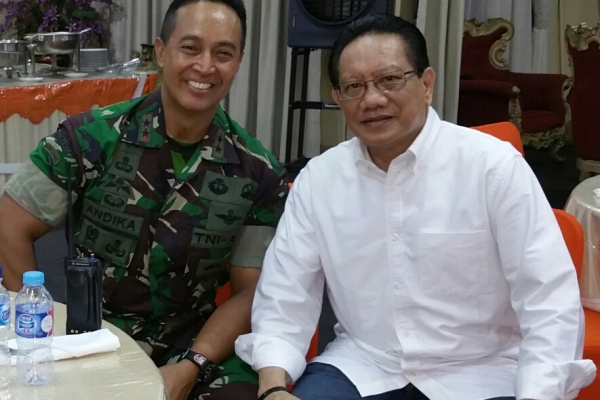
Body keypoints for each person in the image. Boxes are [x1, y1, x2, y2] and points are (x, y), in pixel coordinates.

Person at [234, 14, 597, 400]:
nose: (373, 99)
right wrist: (273, 386)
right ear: (338, 99)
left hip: (483, 371)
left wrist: (539, 392)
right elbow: (285, 294)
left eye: (390, 80)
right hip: (364, 365)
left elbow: (547, 297)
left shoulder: (493, 167)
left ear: (426, 84)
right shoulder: (319, 180)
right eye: (354, 86)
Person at [0, 1, 289, 399]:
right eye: (190, 48)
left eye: (223, 53)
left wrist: (190, 366)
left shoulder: (259, 172)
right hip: (95, 335)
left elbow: (248, 292)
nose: (205, 66)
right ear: (161, 52)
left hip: (193, 342)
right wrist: (38, 337)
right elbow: (10, 224)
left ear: (238, 63)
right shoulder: (91, 138)